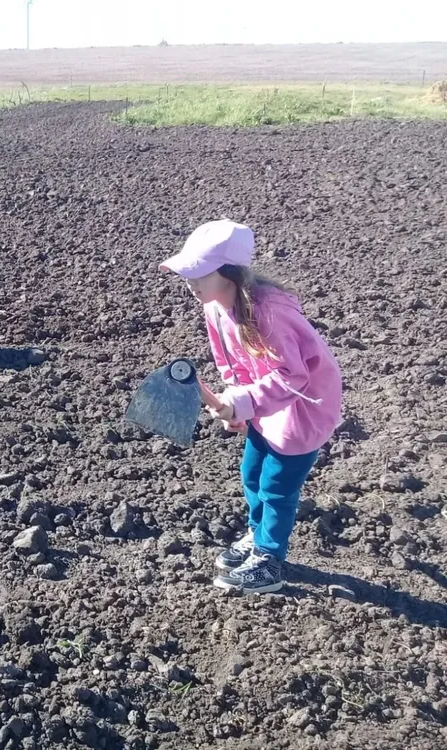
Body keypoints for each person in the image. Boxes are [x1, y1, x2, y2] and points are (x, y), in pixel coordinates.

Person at [160, 220, 342, 594]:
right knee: (252, 473)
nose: (190, 284)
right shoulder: (215, 306)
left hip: (301, 411)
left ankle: (270, 558)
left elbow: (293, 377)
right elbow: (232, 362)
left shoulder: (270, 314)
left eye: (199, 274)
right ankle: (257, 535)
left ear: (228, 273)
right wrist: (237, 403)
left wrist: (243, 401)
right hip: (267, 407)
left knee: (276, 487)